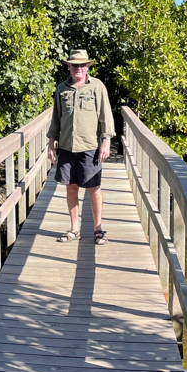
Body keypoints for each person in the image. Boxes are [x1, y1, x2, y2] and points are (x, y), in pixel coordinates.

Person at [46, 49, 114, 244]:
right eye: (74, 65)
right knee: (71, 187)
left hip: (90, 145)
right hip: (67, 146)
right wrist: (51, 143)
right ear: (69, 66)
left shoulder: (97, 86)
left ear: (87, 67)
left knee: (94, 188)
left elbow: (105, 115)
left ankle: (98, 229)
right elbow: (56, 119)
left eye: (82, 65)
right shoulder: (62, 89)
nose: (78, 68)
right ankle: (74, 229)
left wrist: (106, 141)